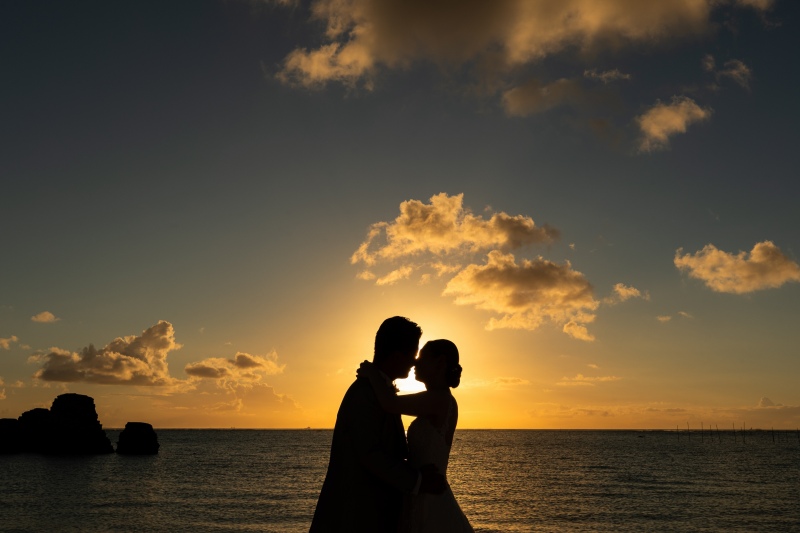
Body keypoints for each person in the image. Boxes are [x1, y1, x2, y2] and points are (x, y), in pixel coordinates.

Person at [310, 317, 447, 533]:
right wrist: (417, 480)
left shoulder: (378, 391)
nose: (414, 362)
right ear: (396, 356)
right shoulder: (365, 394)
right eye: (412, 355)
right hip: (355, 518)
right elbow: (369, 453)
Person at [358, 339, 474, 533]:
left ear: (439, 363)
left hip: (431, 497)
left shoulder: (440, 399)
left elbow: (390, 404)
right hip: (419, 490)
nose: (415, 363)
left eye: (421, 358)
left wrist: (373, 374)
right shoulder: (436, 399)